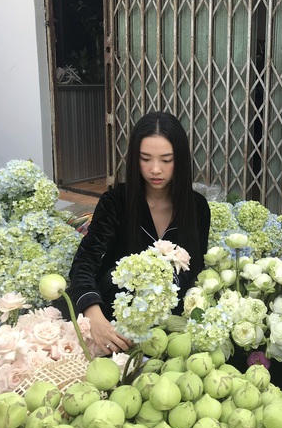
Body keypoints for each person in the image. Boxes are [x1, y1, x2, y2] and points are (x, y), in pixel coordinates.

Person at [64, 112, 210, 356]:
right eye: (145, 159)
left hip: (169, 335)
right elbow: (84, 264)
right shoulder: (116, 203)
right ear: (134, 159)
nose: (155, 169)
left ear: (181, 161)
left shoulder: (196, 208)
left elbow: (196, 271)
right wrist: (94, 317)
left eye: (166, 160)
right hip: (114, 328)